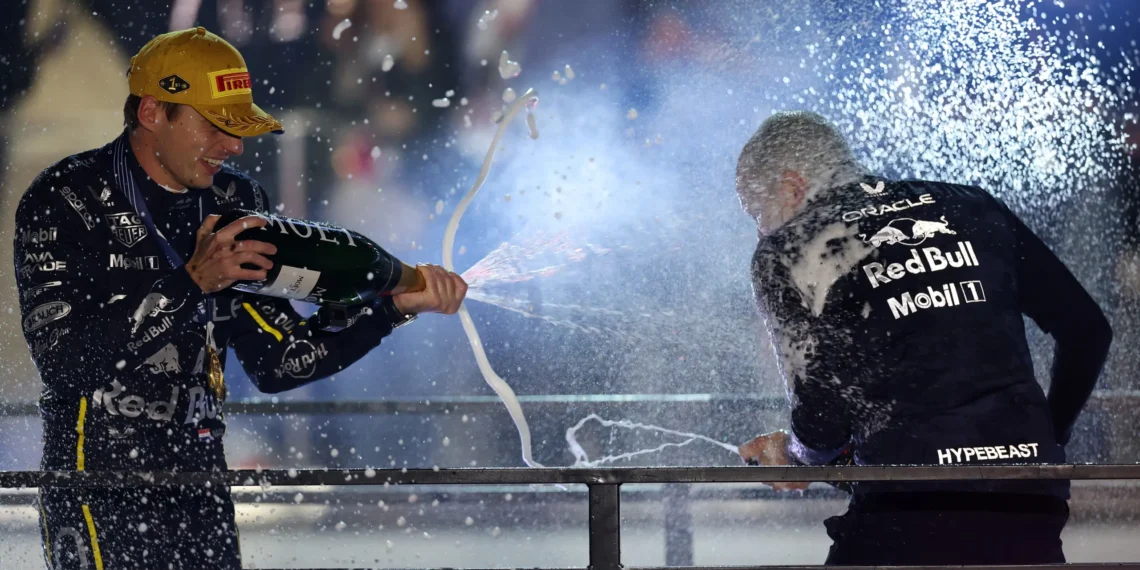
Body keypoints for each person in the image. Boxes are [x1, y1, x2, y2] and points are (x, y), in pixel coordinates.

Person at [14, 27, 467, 570]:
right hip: (97, 485)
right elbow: (68, 364)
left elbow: (278, 361)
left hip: (201, 485)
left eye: (239, 128)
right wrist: (190, 284)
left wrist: (389, 311)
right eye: (216, 126)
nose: (234, 146)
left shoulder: (236, 198)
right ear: (154, 112)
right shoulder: (65, 196)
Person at [734, 111, 1112, 565]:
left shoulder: (788, 249)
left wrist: (797, 456)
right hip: (1028, 489)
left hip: (909, 498)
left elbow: (823, 412)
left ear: (794, 185)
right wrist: (1049, 434)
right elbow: (1089, 331)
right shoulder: (973, 206)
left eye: (758, 211)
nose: (760, 229)